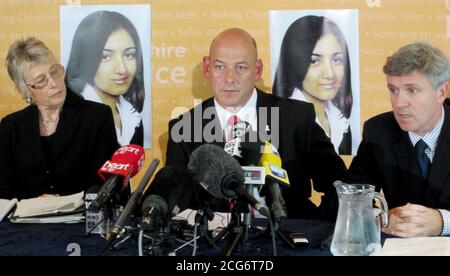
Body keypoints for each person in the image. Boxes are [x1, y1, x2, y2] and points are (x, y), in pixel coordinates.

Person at [166, 28, 347, 220]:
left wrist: (319, 231)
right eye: (220, 67)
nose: (229, 78)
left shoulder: (295, 118)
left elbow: (341, 185)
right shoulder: (185, 128)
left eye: (241, 68)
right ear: (207, 67)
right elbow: (176, 198)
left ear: (258, 70)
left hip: (287, 239)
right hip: (215, 244)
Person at [348, 42, 450, 237]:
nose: (399, 103)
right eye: (393, 90)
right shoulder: (378, 131)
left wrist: (442, 222)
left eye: (412, 90)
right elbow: (350, 200)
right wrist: (381, 218)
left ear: (441, 92)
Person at [0, 37, 119, 200]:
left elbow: (105, 183)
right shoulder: (11, 127)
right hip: (24, 222)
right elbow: (4, 188)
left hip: (81, 220)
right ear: (26, 91)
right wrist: (34, 202)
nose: (53, 83)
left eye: (54, 72)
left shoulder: (96, 117)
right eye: (41, 81)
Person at [273, 15, 354, 155]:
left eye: (336, 60)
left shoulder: (342, 123)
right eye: (314, 61)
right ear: (294, 62)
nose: (330, 74)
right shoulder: (275, 121)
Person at [65, 10, 145, 146]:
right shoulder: (70, 117)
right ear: (85, 58)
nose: (122, 69)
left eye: (129, 55)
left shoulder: (133, 117)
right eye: (105, 56)